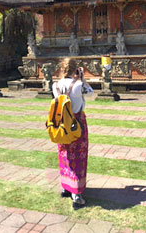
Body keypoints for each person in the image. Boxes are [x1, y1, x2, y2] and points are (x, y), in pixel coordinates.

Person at [52, 58, 94, 209]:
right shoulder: (79, 85)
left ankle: (66, 187)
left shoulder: (55, 85)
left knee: (65, 154)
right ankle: (76, 193)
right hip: (77, 124)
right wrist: (82, 78)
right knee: (78, 155)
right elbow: (91, 93)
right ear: (76, 69)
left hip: (62, 124)